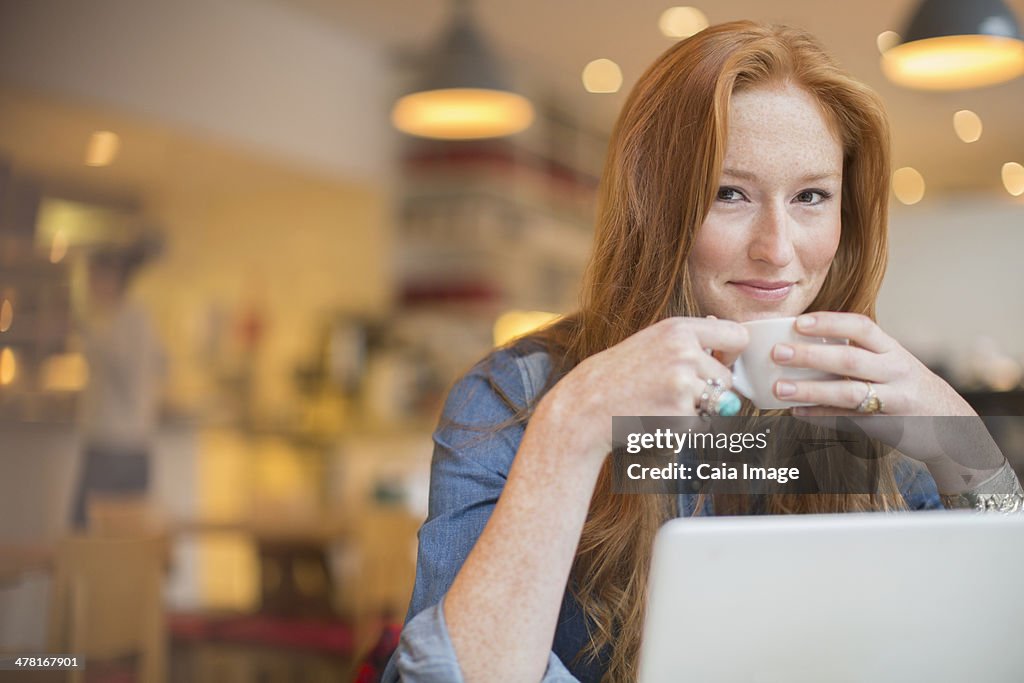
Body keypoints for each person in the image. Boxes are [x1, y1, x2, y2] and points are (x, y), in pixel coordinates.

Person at [382, 21, 1024, 683]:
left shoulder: (872, 408)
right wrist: (571, 426)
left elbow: (1003, 635)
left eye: (811, 196)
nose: (777, 248)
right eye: (730, 193)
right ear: (654, 206)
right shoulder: (514, 396)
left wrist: (967, 447)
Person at [70, 239, 166, 529]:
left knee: (90, 542)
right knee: (126, 542)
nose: (88, 285)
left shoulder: (122, 322)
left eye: (93, 277)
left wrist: (88, 332)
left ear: (112, 278)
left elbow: (127, 370)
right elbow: (162, 365)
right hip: (134, 447)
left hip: (112, 446)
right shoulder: (131, 319)